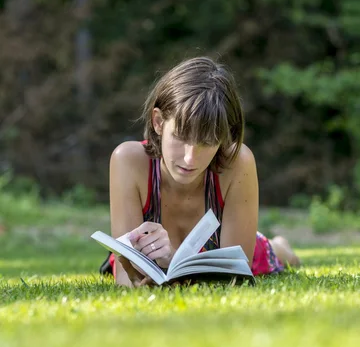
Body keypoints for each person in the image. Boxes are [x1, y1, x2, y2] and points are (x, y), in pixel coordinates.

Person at [105, 56, 300, 287]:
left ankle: (280, 246)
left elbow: (234, 276)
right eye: (180, 137)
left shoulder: (237, 162)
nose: (190, 158)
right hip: (154, 255)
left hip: (225, 248)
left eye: (207, 142)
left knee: (269, 254)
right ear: (158, 122)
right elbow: (125, 281)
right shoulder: (128, 160)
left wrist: (173, 259)